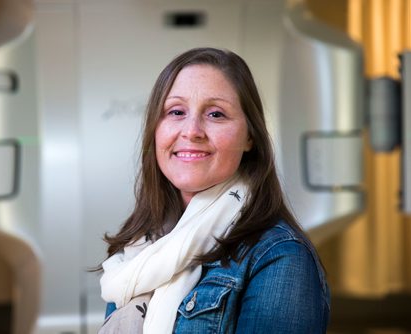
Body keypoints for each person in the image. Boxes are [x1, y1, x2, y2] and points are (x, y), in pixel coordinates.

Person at [98, 47, 330, 334]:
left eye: (216, 114)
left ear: (250, 137)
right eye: (176, 111)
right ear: (155, 131)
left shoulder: (280, 257)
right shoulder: (138, 251)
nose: (192, 130)